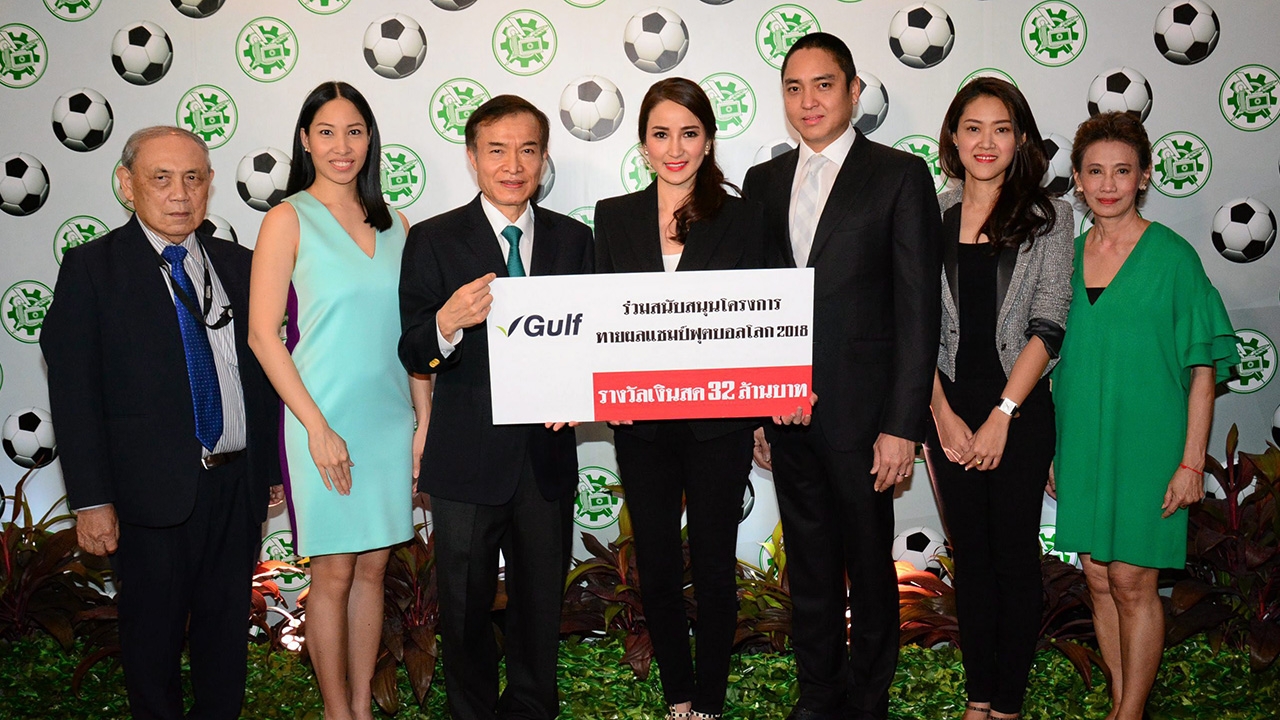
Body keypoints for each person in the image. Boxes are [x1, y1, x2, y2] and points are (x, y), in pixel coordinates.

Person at [41, 126, 282, 720]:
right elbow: (73, 393)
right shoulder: (92, 269)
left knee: (225, 635)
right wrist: (91, 500)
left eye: (193, 178)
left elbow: (262, 371)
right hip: (146, 494)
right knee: (151, 642)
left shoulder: (240, 265)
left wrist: (271, 468)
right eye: (161, 178)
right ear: (127, 185)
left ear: (210, 185)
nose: (180, 193)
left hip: (236, 485)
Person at [742, 33, 943, 720]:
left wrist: (902, 425)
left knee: (869, 561)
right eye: (794, 88)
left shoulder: (898, 175)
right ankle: (819, 693)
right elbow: (756, 306)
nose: (809, 101)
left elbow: (919, 310)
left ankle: (868, 697)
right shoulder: (764, 182)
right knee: (808, 563)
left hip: (867, 419)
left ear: (854, 92)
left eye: (823, 85)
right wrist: (761, 407)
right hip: (788, 415)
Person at [397, 94, 593, 720]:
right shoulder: (432, 239)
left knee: (540, 606)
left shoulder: (574, 240)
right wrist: (446, 323)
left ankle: (533, 708)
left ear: (544, 157)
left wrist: (579, 393)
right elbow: (412, 348)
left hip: (545, 459)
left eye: (528, 150)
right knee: (462, 609)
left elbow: (595, 343)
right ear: (472, 157)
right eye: (497, 150)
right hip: (465, 460)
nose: (513, 165)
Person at [247, 81, 426, 720]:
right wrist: (317, 429)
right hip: (318, 420)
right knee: (333, 573)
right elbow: (262, 335)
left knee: (373, 570)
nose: (341, 146)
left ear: (370, 140)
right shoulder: (287, 219)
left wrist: (423, 422)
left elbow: (413, 336)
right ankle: (335, 712)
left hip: (389, 422)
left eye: (354, 131)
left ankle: (361, 709)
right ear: (305, 140)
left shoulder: (398, 224)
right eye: (326, 132)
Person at [1051, 112, 1237, 720]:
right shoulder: (1064, 258)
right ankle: (1118, 703)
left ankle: (1130, 714)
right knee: (1098, 578)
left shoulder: (1174, 257)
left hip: (1150, 445)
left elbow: (1203, 369)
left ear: (1145, 176)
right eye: (1095, 171)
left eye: (1122, 171)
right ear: (1078, 178)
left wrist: (1191, 463)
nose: (1108, 185)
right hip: (1083, 441)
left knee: (1133, 581)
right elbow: (1050, 360)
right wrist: (1053, 449)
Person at [593, 77, 766, 720]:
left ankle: (711, 703)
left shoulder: (742, 217)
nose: (675, 148)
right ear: (643, 144)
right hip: (641, 425)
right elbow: (600, 317)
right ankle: (679, 700)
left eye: (689, 133)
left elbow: (764, 319)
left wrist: (764, 408)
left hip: (720, 423)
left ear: (709, 140)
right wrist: (603, 390)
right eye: (661, 134)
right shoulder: (613, 217)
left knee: (716, 569)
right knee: (659, 570)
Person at [924, 78, 1074, 720]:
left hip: (1020, 411)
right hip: (946, 414)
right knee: (972, 559)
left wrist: (1002, 416)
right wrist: (941, 414)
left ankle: (1007, 703)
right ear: (954, 138)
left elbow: (1049, 323)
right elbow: (913, 325)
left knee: (1014, 557)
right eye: (973, 127)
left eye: (1002, 128)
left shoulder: (1049, 217)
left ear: (1020, 139)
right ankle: (977, 697)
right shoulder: (927, 213)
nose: (987, 142)